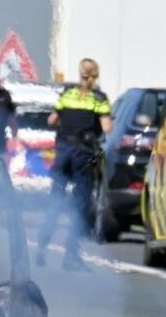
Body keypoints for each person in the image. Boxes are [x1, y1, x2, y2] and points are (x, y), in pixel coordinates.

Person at [36, 58, 112, 270]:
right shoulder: (98, 98)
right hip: (83, 157)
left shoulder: (67, 94)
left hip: (63, 154)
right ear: (95, 76)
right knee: (80, 205)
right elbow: (107, 128)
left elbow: (52, 120)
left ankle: (40, 249)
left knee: (56, 199)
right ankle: (70, 255)